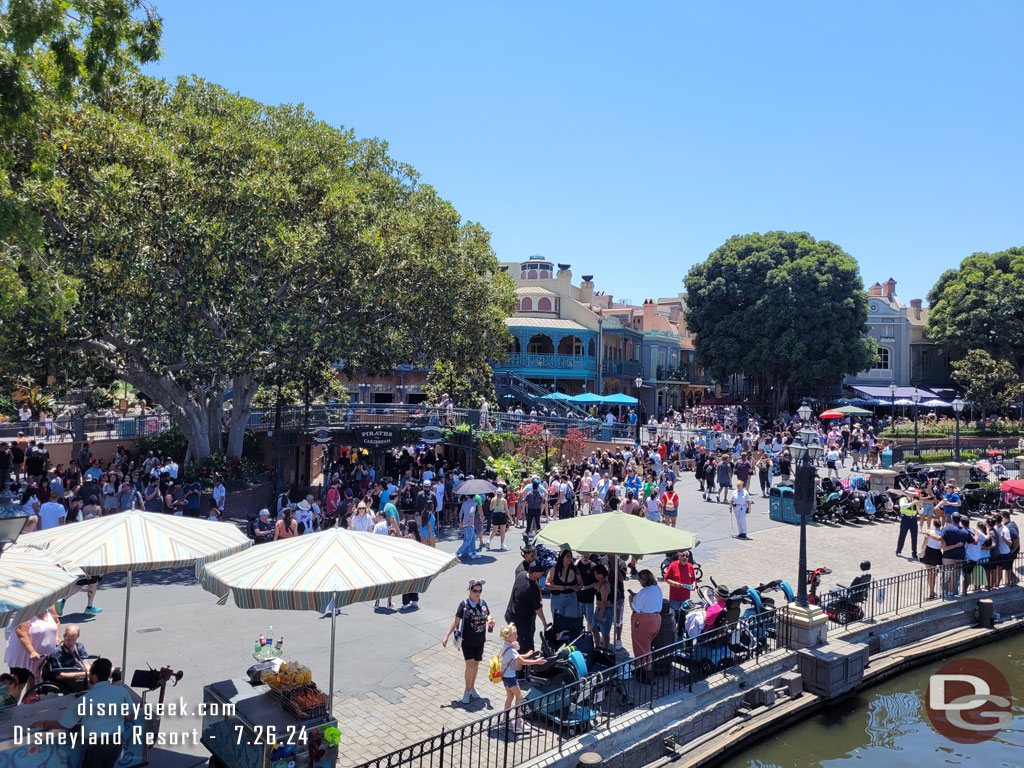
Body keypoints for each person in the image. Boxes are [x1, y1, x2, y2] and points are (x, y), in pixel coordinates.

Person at [31, 657, 135, 768]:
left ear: (94, 677)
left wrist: (44, 723)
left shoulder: (86, 699)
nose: (89, 676)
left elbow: (65, 723)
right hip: (115, 745)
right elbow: (130, 717)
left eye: (90, 674)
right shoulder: (121, 691)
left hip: (96, 748)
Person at [442, 579, 494, 704]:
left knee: (476, 665)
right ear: (470, 590)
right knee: (469, 664)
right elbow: (456, 621)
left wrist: (491, 620)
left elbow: (487, 615)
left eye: (480, 591)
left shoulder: (483, 603)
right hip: (467, 640)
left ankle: (472, 687)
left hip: (480, 640)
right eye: (475, 590)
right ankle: (466, 691)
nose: (477, 593)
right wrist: (446, 636)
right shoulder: (464, 605)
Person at [4, 608, 59, 701]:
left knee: (33, 682)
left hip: (40, 657)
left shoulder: (50, 606)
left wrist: (57, 637)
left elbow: (57, 622)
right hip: (23, 656)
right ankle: (10, 710)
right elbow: (21, 631)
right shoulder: (28, 611)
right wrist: (32, 651)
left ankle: (26, 708)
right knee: (19, 685)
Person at [499, 624, 545, 734]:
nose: (517, 636)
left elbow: (517, 657)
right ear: (509, 636)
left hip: (505, 677)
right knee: (519, 697)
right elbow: (522, 662)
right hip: (511, 678)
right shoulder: (512, 650)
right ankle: (518, 721)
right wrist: (536, 662)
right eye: (514, 634)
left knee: (510, 697)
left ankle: (505, 719)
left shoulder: (506, 646)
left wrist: (526, 655)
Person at [505, 563, 549, 669]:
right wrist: (544, 622)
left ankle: (517, 666)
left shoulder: (522, 575)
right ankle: (522, 672)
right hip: (522, 621)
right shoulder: (531, 588)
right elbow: (538, 609)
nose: (542, 573)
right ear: (534, 573)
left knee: (514, 643)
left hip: (510, 615)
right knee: (524, 646)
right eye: (540, 572)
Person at [628, 570, 663, 685]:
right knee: (646, 646)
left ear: (643, 579)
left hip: (644, 621)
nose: (638, 581)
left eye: (639, 579)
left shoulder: (644, 591)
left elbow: (636, 608)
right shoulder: (657, 588)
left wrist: (631, 599)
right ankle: (642, 670)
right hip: (656, 619)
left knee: (643, 649)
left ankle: (647, 676)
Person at [547, 546, 581, 622]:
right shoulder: (554, 569)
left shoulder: (574, 569)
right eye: (567, 556)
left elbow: (580, 583)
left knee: (570, 622)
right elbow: (547, 584)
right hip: (557, 598)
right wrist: (559, 587)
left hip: (571, 598)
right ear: (562, 558)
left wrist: (578, 588)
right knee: (558, 622)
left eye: (571, 556)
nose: (570, 558)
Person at [664, 550, 696, 630]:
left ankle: (682, 635)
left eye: (687, 556)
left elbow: (693, 580)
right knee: (674, 620)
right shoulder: (673, 565)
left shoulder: (690, 566)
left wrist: (694, 585)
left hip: (686, 600)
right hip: (675, 599)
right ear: (679, 556)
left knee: (684, 620)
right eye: (683, 555)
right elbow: (666, 579)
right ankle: (674, 635)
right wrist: (675, 584)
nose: (684, 557)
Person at [895, 488, 920, 558]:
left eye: (913, 494)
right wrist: (913, 503)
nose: (912, 495)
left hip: (914, 519)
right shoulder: (903, 499)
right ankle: (898, 551)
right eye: (911, 493)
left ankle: (914, 552)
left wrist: (920, 506)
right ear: (908, 493)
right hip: (905, 519)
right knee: (902, 535)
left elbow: (920, 511)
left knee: (914, 537)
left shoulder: (915, 501)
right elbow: (902, 506)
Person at [593, 564, 613, 649]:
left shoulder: (605, 585)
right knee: (594, 629)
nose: (596, 576)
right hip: (598, 609)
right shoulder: (599, 582)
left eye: (597, 574)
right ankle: (597, 646)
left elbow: (604, 603)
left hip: (605, 610)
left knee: (605, 633)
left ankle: (605, 648)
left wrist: (600, 616)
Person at [456, 494, 479, 560]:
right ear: (473, 497)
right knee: (468, 540)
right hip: (470, 523)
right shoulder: (473, 503)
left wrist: (460, 522)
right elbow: (472, 511)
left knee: (472, 538)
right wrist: (471, 519)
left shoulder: (464, 503)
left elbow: (460, 513)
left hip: (464, 523)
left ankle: (471, 553)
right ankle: (458, 552)